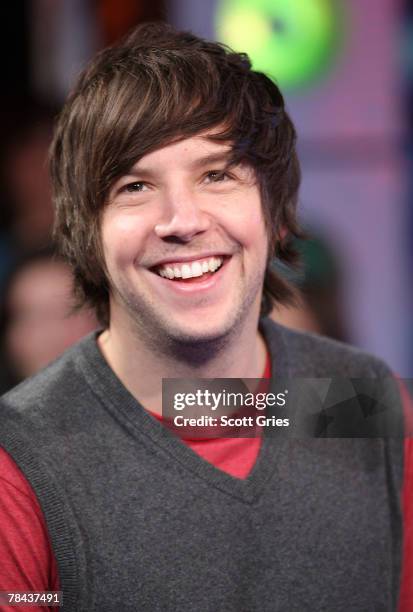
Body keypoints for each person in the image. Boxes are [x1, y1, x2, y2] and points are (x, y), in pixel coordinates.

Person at [0, 22, 411, 612]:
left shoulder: (366, 402)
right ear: (86, 235)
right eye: (135, 186)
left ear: (275, 211)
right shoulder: (21, 460)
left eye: (217, 174)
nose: (182, 220)